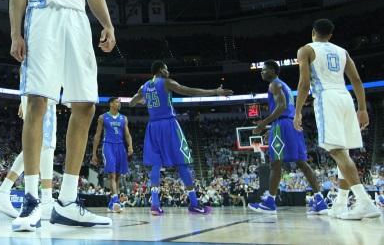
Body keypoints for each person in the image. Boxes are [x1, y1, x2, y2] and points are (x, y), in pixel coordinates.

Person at [9, 0, 115, 231]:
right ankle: (32, 200)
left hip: (77, 21)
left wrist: (108, 25)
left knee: (85, 104)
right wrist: (15, 32)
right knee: (38, 102)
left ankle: (67, 200)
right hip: (43, 17)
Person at [294, 19, 380, 220]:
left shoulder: (305, 50)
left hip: (326, 98)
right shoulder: (343, 51)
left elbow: (304, 83)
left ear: (313, 32)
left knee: (337, 151)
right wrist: (362, 108)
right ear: (331, 35)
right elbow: (357, 80)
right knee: (344, 154)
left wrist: (297, 111)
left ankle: (364, 202)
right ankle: (340, 203)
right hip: (345, 98)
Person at [129, 61, 233, 215]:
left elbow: (131, 103)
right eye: (166, 68)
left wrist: (144, 100)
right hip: (169, 124)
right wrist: (215, 92)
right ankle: (194, 203)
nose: (168, 71)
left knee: (155, 165)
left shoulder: (144, 86)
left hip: (152, 127)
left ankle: (155, 205)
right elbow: (190, 91)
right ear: (160, 70)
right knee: (182, 162)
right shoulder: (166, 82)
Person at [248, 60, 327, 215]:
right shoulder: (285, 85)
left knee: (275, 164)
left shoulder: (274, 85)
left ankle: (270, 202)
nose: (262, 72)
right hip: (292, 124)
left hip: (282, 125)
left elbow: (282, 106)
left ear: (273, 71)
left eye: (264, 70)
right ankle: (320, 200)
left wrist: (263, 123)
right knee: (301, 163)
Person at [0, 96, 57, 220]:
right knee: (44, 144)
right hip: (43, 91)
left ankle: (46, 198)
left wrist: (24, 97)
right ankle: (45, 200)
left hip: (34, 90)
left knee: (43, 145)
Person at [91, 97, 133, 212]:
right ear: (110, 104)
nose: (118, 104)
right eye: (116, 102)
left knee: (118, 176)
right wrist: (94, 153)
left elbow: (127, 134)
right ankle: (115, 200)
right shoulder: (103, 117)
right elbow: (97, 135)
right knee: (112, 175)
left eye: (119, 102)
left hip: (120, 146)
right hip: (108, 145)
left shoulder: (123, 118)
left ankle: (111, 203)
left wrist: (130, 146)